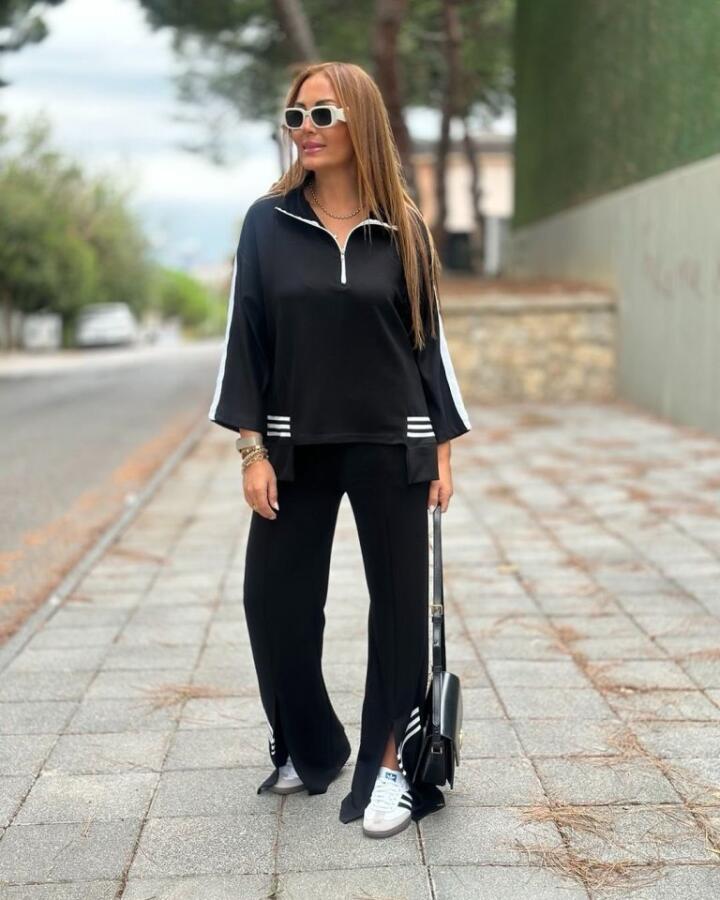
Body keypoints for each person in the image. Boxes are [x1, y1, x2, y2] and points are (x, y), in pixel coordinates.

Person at [208, 60, 471, 839]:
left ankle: (393, 764)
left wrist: (443, 448)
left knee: (399, 614)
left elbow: (429, 343)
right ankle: (310, 745)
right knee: (273, 604)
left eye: (322, 115)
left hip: (396, 439)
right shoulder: (267, 223)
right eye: (296, 117)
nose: (307, 130)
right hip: (296, 442)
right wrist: (251, 450)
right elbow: (246, 339)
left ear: (361, 121)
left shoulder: (406, 227)